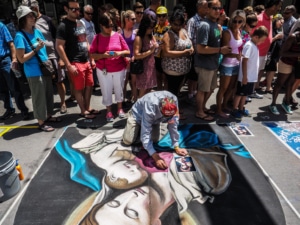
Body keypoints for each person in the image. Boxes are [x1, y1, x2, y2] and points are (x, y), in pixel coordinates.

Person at [14, 5, 58, 131]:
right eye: (29, 16)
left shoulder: (37, 31)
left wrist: (49, 64)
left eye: (33, 15)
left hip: (45, 68)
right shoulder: (19, 36)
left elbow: (44, 51)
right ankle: (41, 121)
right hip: (33, 71)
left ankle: (48, 116)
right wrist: (35, 49)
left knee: (49, 94)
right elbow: (21, 59)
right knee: (39, 97)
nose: (33, 17)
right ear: (22, 19)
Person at [22, 0, 68, 114]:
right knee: (44, 86)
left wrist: (61, 58)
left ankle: (63, 103)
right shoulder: (25, 28)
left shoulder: (47, 20)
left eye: (33, 9)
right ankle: (46, 112)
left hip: (52, 56)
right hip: (38, 59)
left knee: (59, 81)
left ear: (37, 8)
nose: (32, 13)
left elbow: (58, 38)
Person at [122, 91, 188, 170]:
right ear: (160, 108)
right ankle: (134, 125)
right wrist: (156, 157)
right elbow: (146, 131)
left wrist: (176, 146)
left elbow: (173, 125)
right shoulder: (150, 105)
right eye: (166, 116)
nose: (168, 118)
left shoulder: (174, 100)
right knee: (127, 141)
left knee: (154, 140)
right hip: (137, 115)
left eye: (169, 116)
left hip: (155, 119)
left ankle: (140, 132)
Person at [56, 0, 97, 119]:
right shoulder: (63, 26)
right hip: (75, 61)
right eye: (73, 9)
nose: (76, 11)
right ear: (66, 9)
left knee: (90, 85)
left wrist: (92, 58)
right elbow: (59, 46)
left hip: (86, 60)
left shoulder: (80, 23)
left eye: (78, 9)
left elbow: (86, 41)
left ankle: (88, 108)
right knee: (79, 88)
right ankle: (83, 111)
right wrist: (68, 65)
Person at [194, 0, 231, 121]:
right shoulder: (205, 25)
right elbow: (200, 49)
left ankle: (202, 107)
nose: (217, 11)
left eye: (219, 8)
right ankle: (199, 112)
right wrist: (220, 50)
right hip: (204, 64)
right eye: (214, 8)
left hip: (213, 64)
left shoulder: (215, 24)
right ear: (207, 9)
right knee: (202, 89)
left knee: (211, 88)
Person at [90, 12, 130, 122]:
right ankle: (108, 111)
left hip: (119, 68)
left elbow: (127, 51)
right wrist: (103, 55)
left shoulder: (118, 36)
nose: (110, 28)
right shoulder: (97, 37)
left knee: (119, 88)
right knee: (105, 90)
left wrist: (119, 53)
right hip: (104, 69)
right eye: (107, 26)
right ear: (101, 26)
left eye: (112, 25)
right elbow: (92, 55)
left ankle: (119, 108)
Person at [161, 9, 194, 120]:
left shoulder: (183, 31)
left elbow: (189, 43)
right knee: (172, 91)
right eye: (175, 24)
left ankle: (174, 109)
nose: (177, 26)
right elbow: (167, 52)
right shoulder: (168, 34)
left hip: (183, 69)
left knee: (176, 92)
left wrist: (191, 48)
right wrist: (184, 52)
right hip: (172, 70)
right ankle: (171, 113)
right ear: (170, 22)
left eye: (180, 24)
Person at [231, 26, 269, 120]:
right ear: (256, 37)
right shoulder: (249, 45)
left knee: (245, 94)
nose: (263, 42)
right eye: (262, 40)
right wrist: (244, 76)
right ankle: (234, 109)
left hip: (251, 76)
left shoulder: (254, 45)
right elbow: (244, 61)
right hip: (245, 76)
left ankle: (241, 108)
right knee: (240, 93)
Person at [250, 0, 283, 99]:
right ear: (273, 6)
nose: (279, 9)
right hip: (257, 52)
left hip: (264, 52)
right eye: (279, 6)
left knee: (259, 72)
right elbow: (252, 35)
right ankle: (247, 92)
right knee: (252, 73)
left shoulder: (270, 18)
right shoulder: (259, 18)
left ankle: (252, 90)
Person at [216, 10, 245, 118]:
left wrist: (240, 55)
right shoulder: (227, 33)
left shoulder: (240, 31)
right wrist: (236, 56)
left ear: (243, 22)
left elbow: (239, 47)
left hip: (236, 64)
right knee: (223, 88)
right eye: (235, 21)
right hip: (227, 64)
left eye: (239, 21)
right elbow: (225, 52)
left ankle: (224, 105)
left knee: (232, 87)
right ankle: (218, 110)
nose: (236, 23)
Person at [0, 21, 29, 121]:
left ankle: (23, 110)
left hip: (4, 60)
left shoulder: (1, 26)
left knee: (14, 87)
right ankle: (9, 109)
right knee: (2, 89)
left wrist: (14, 59)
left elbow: (11, 43)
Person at [269, 26, 300, 115]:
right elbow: (282, 52)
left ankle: (286, 103)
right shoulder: (293, 37)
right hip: (286, 62)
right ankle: (273, 104)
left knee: (290, 84)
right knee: (279, 83)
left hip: (296, 64)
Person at [186, 0, 208, 105]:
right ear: (199, 8)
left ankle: (195, 91)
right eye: (205, 7)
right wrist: (193, 51)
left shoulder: (206, 20)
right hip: (195, 53)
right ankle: (190, 93)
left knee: (198, 76)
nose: (207, 10)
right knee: (193, 75)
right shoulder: (192, 21)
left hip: (204, 54)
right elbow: (189, 37)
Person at [133, 15, 158, 98]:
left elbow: (155, 52)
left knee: (149, 89)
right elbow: (136, 55)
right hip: (143, 67)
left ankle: (146, 108)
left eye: (153, 27)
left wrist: (158, 47)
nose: (151, 29)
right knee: (143, 90)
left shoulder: (151, 36)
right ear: (145, 26)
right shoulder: (139, 38)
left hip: (151, 66)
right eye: (150, 27)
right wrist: (150, 51)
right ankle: (139, 108)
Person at [120, 10, 138, 103]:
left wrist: (134, 55)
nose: (135, 20)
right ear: (127, 19)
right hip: (123, 61)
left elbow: (137, 46)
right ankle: (122, 101)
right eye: (133, 19)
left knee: (134, 83)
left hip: (133, 60)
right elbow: (118, 48)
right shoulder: (120, 32)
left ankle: (135, 101)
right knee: (124, 82)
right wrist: (124, 57)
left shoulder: (135, 32)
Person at [80, 4, 99, 91]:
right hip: (86, 48)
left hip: (93, 47)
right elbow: (82, 38)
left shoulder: (91, 23)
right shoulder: (81, 22)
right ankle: (89, 85)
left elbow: (93, 34)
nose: (90, 15)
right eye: (88, 13)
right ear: (84, 13)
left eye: (91, 14)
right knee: (89, 66)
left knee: (93, 65)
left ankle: (94, 83)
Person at [263, 14, 283, 93]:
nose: (281, 24)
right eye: (280, 22)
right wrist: (276, 37)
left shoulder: (278, 29)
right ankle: (268, 87)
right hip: (271, 53)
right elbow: (269, 41)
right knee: (271, 70)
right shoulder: (271, 30)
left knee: (271, 70)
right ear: (276, 21)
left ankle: (268, 86)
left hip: (275, 53)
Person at [153, 5, 170, 91]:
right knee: (158, 77)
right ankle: (159, 94)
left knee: (165, 78)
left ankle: (166, 98)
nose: (161, 17)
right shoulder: (155, 27)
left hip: (165, 56)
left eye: (163, 15)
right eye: (159, 15)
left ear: (166, 16)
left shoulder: (169, 28)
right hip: (156, 57)